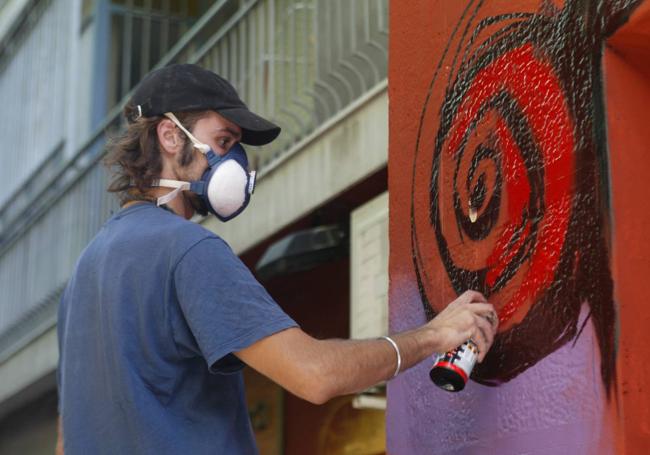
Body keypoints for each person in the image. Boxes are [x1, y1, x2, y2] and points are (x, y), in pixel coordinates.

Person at [56, 63, 498, 454]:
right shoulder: (187, 251)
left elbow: (67, 437)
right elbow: (314, 375)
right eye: (224, 139)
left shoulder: (83, 276)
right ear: (170, 136)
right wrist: (434, 335)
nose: (235, 162)